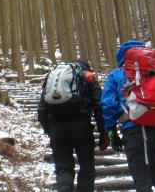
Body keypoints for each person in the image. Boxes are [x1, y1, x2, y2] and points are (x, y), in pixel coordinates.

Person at [101, 40, 155, 192]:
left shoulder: (117, 74)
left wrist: (111, 132)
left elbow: (108, 104)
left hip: (133, 130)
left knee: (141, 177)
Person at [38, 60, 108, 192]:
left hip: (56, 128)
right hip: (81, 126)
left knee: (64, 168)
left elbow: (42, 109)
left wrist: (49, 130)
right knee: (87, 168)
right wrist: (103, 131)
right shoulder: (87, 76)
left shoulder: (53, 78)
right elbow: (99, 106)